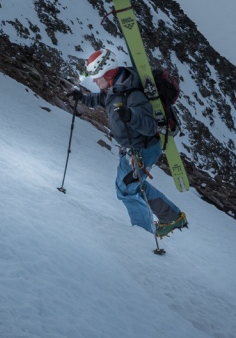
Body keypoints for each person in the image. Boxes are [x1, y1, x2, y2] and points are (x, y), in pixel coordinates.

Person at [72, 47, 188, 239]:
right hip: (130, 149)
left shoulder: (133, 94)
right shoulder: (114, 88)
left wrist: (130, 116)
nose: (94, 81)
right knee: (126, 188)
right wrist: (83, 99)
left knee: (128, 188)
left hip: (143, 148)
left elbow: (150, 127)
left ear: (108, 74)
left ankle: (150, 230)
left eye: (97, 76)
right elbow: (102, 99)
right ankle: (165, 220)